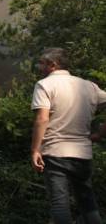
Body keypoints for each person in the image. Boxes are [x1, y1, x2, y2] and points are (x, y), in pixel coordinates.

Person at [31, 47, 106, 224]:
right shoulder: (88, 86)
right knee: (87, 202)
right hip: (83, 154)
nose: (39, 67)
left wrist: (35, 150)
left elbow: (42, 119)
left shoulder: (44, 85)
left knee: (59, 205)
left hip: (55, 153)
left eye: (42, 63)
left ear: (53, 64)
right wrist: (100, 134)